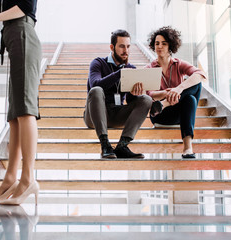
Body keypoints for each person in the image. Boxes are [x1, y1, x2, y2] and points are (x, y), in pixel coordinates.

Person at [0, 0, 41, 205]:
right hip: (14, 38)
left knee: (25, 110)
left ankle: (28, 179)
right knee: (14, 115)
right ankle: (10, 178)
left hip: (22, 33)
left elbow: (24, 7)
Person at [84, 30, 153, 159]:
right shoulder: (98, 63)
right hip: (95, 116)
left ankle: (122, 145)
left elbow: (130, 100)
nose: (125, 50)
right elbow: (95, 84)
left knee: (146, 99)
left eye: (128, 46)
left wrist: (134, 93)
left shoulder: (130, 68)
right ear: (112, 47)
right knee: (97, 90)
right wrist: (120, 73)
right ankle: (105, 145)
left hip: (117, 113)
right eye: (121, 46)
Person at [146, 26, 207, 158]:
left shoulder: (179, 64)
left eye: (164, 43)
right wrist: (165, 94)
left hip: (178, 111)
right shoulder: (149, 68)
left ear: (170, 46)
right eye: (157, 43)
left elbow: (200, 74)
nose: (159, 46)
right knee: (190, 96)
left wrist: (178, 89)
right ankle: (163, 104)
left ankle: (188, 148)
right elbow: (149, 94)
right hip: (158, 114)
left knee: (195, 88)